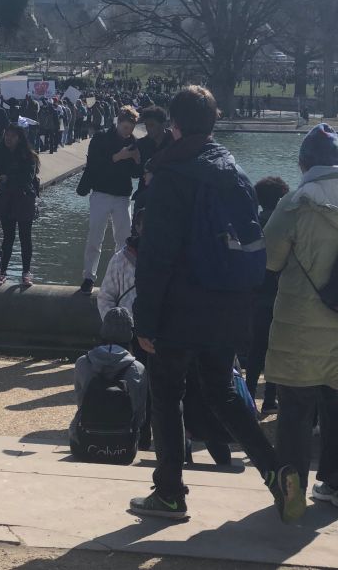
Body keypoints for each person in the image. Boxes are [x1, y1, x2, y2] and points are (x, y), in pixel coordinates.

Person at [131, 85, 305, 523]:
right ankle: (276, 471)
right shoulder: (232, 169)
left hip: (179, 304)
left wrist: (145, 319)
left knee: (167, 392)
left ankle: (169, 493)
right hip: (228, 301)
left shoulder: (172, 174)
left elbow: (157, 256)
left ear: (173, 126)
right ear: (213, 122)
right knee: (223, 393)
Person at [263, 123, 338, 504]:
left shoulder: (295, 201)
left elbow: (271, 259)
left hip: (302, 324)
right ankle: (336, 483)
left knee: (295, 410)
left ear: (303, 162)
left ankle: (291, 489)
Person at [69, 307, 147, 464]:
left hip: (84, 444)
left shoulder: (83, 362)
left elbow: (81, 403)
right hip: (124, 448)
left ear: (103, 331)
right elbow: (140, 414)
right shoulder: (138, 368)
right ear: (129, 335)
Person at [78, 106, 140, 295]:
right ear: (118, 123)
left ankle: (121, 277)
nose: (127, 132)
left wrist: (137, 160)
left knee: (123, 239)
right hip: (101, 193)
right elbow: (94, 165)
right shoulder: (101, 138)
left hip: (122, 195)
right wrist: (117, 157)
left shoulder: (134, 143)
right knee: (95, 237)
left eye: (130, 128)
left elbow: (136, 174)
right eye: (125, 127)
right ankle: (89, 276)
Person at [246, 176, 289, 414]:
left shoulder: (254, 222)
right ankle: (270, 399)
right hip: (279, 294)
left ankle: (249, 395)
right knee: (276, 350)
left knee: (255, 350)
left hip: (255, 294)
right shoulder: (283, 222)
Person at [0, 124, 40, 287]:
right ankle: (2, 271)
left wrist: (8, 177)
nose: (8, 139)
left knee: (25, 237)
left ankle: (26, 272)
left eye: (12, 136)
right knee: (8, 237)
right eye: (7, 135)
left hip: (23, 198)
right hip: (6, 198)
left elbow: (28, 178)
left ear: (19, 138)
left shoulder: (28, 155)